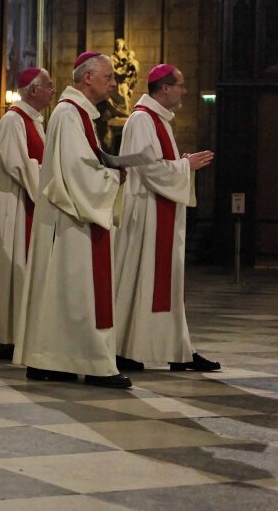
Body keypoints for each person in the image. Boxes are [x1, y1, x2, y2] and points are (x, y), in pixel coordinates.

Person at [13, 51, 129, 389]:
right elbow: (77, 173)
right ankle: (89, 362)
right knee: (76, 294)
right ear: (88, 77)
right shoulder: (68, 114)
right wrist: (114, 178)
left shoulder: (78, 114)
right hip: (73, 219)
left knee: (66, 294)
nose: (113, 84)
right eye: (108, 77)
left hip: (73, 218)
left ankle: (55, 359)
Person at [113, 64, 218, 373]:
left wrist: (181, 164)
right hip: (146, 215)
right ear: (164, 88)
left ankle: (176, 349)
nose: (184, 91)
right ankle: (126, 349)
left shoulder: (158, 120)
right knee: (142, 280)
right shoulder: (142, 119)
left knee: (163, 284)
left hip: (161, 212)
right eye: (180, 85)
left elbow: (157, 164)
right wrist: (186, 168)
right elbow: (147, 168)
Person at [0, 68, 53, 360]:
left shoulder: (35, 122)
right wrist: (49, 182)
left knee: (23, 269)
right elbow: (15, 162)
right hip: (15, 206)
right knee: (12, 268)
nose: (52, 90)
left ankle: (22, 332)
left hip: (29, 202)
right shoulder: (13, 120)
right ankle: (6, 337)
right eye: (48, 86)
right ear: (32, 90)